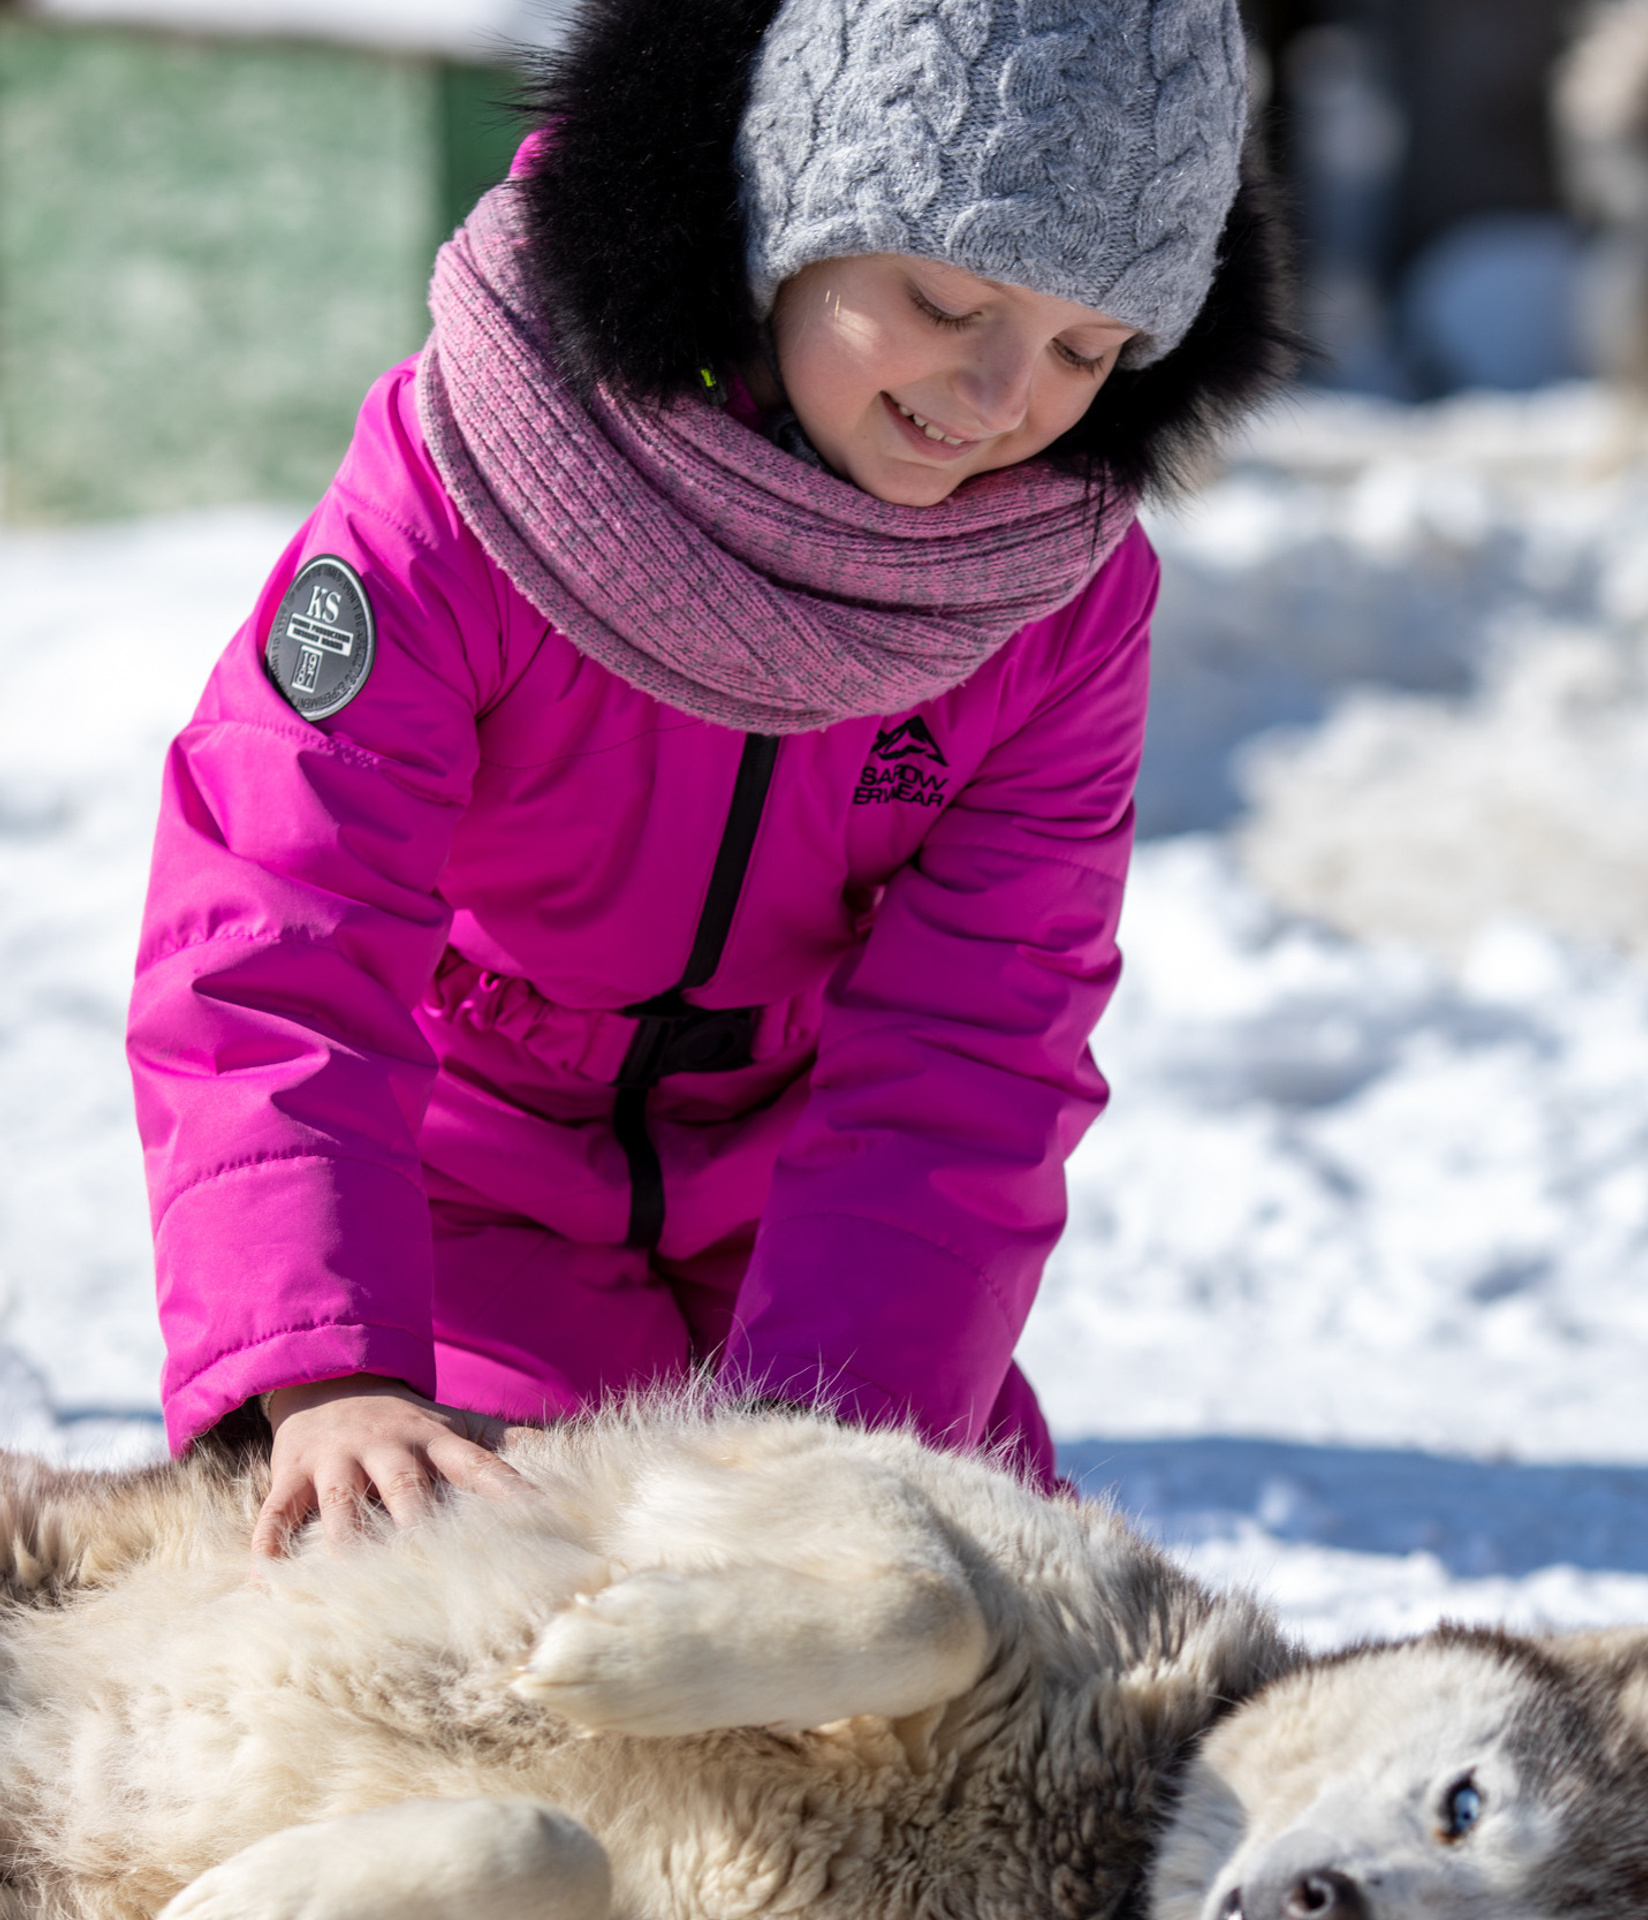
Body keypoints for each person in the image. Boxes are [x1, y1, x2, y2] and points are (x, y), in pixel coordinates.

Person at [128, 0, 1293, 1554]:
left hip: (801, 1217)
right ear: (793, 209)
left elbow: (976, 1045)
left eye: (1090, 347)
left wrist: (834, 1442)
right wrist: (328, 1370)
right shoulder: (470, 480)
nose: (1007, 398)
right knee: (496, 1587)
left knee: (963, 1623)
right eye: (950, 299)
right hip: (456, 1202)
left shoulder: (1055, 593)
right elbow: (278, 921)